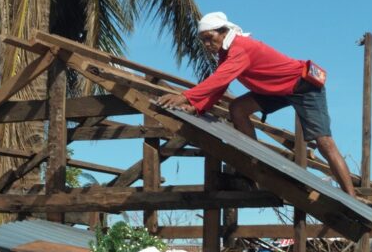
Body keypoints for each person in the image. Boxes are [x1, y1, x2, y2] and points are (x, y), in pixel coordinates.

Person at [153, 12, 357, 196]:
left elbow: (219, 80)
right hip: (275, 90)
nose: (207, 44)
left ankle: (351, 197)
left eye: (210, 38)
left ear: (223, 32)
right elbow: (220, 86)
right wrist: (198, 107)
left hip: (302, 87)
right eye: (203, 41)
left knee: (324, 143)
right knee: (238, 109)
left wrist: (186, 97)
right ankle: (256, 165)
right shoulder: (226, 53)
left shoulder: (241, 48)